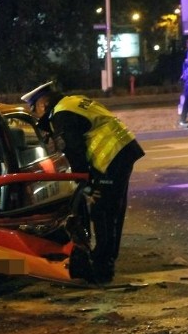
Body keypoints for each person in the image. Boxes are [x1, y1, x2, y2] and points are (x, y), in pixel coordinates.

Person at [21, 82, 145, 284]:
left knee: (102, 210)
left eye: (34, 109)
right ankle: (107, 259)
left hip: (111, 158)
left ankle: (103, 269)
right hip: (123, 151)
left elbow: (74, 153)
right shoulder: (73, 101)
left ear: (43, 104)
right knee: (114, 208)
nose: (35, 115)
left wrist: (86, 186)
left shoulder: (61, 115)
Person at [178, 46, 188, 128]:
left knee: (187, 101)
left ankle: (183, 119)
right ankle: (183, 119)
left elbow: (184, 75)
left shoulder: (186, 63)